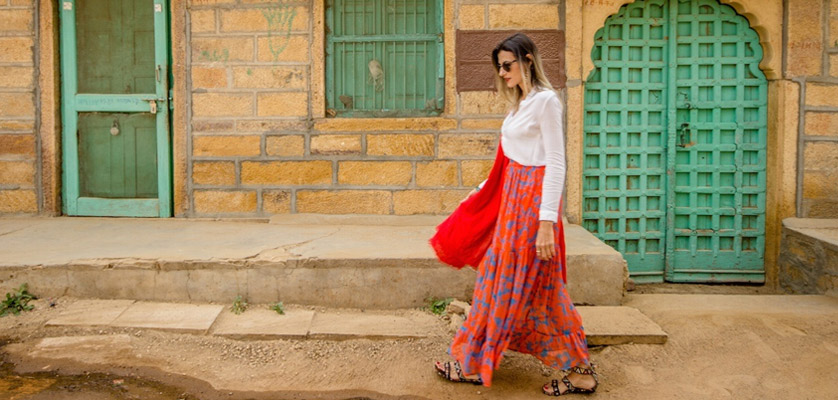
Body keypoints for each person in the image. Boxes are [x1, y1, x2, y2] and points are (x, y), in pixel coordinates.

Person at [430, 33, 599, 396]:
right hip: (512, 204)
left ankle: (478, 363)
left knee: (517, 284)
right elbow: (510, 161)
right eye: (499, 66)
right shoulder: (520, 104)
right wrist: (479, 192)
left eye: (507, 65)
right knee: (518, 284)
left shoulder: (546, 102)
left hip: (532, 210)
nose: (502, 72)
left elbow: (555, 162)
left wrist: (545, 224)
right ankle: (480, 362)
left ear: (528, 61)